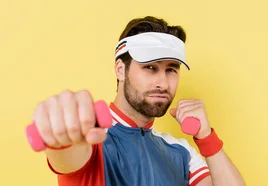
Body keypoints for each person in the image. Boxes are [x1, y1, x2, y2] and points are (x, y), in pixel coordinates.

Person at [30, 16, 246, 186]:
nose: (163, 82)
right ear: (120, 69)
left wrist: (207, 138)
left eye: (171, 69)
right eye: (150, 67)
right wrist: (62, 139)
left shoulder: (181, 151)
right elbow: (70, 155)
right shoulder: (92, 137)